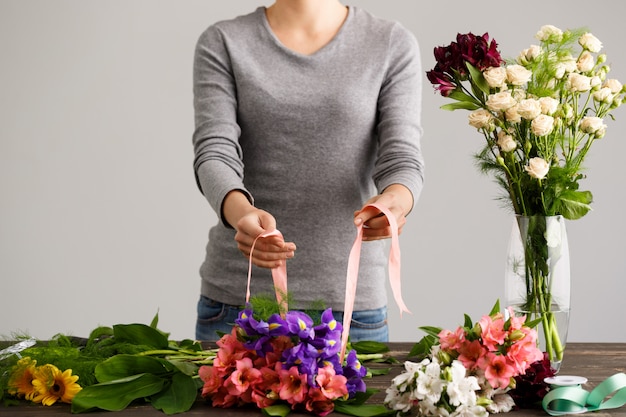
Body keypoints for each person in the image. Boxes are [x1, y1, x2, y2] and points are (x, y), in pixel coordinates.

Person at [192, 0, 424, 342]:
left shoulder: (391, 42)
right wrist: (240, 213)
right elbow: (215, 151)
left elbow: (402, 157)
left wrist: (395, 202)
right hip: (238, 305)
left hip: (351, 310)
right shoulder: (224, 41)